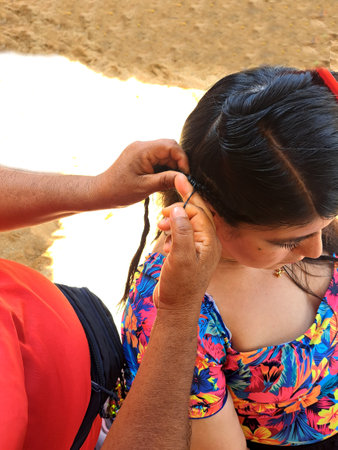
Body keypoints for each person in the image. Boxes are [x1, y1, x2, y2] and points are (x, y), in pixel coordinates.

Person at [120, 67, 338, 449]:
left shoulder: (314, 195)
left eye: (327, 223)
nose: (317, 251)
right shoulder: (177, 311)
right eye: (287, 242)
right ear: (208, 211)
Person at [0, 139, 221, 449]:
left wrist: (98, 188)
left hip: (82, 371)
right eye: (289, 242)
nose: (313, 250)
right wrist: (179, 312)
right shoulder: (162, 303)